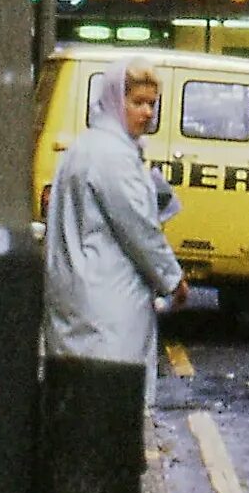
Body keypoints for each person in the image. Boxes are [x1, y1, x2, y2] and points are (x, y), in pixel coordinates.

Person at [44, 64, 187, 372]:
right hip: (110, 300)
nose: (147, 112)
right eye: (137, 102)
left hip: (77, 291)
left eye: (152, 103)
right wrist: (173, 279)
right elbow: (139, 230)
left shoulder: (85, 146)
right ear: (114, 100)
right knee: (113, 395)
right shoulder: (114, 156)